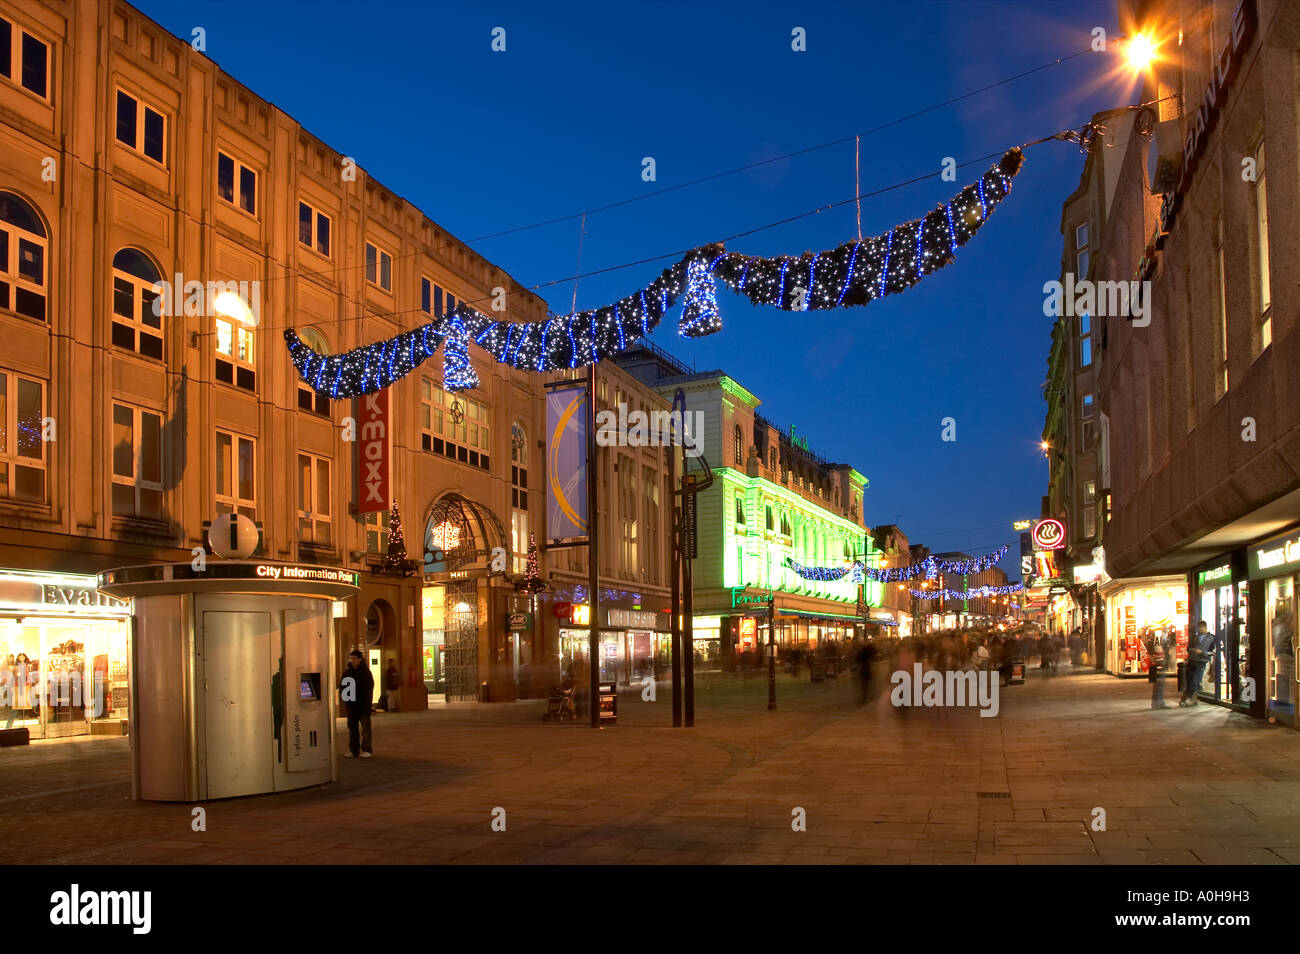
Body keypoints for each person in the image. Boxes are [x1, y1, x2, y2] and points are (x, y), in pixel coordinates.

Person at [339, 650, 375, 758]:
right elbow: (343, 687)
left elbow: (368, 689)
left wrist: (366, 703)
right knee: (352, 729)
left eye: (354, 658)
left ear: (360, 659)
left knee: (365, 729)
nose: (353, 660)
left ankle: (367, 749)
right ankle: (354, 749)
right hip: (351, 706)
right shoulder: (347, 673)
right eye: (351, 658)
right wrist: (346, 701)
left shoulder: (365, 672)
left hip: (363, 706)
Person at [1180, 621, 1213, 707]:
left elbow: (1213, 651)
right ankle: (1190, 698)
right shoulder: (1195, 637)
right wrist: (1192, 651)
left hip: (1201, 662)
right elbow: (1189, 648)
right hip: (1192, 660)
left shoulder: (1211, 638)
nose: (1199, 629)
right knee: (1190, 680)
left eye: (1201, 627)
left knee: (1195, 680)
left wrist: (1203, 652)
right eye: (1198, 628)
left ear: (1205, 627)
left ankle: (1189, 697)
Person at [1143, 628, 1169, 708]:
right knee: (1159, 683)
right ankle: (1158, 702)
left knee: (1159, 683)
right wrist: (1155, 660)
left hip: (1159, 661)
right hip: (1159, 662)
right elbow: (1153, 648)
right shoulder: (1158, 636)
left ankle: (1157, 702)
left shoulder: (1157, 636)